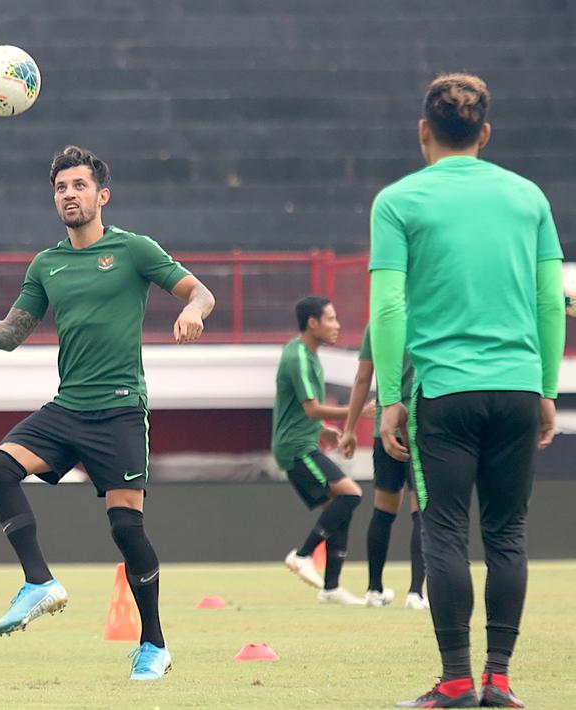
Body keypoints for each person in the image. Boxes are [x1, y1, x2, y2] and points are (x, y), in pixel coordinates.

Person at [0, 146, 215, 681]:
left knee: (126, 529)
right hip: (68, 408)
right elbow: (13, 332)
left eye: (79, 185)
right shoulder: (47, 264)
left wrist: (191, 309)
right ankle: (40, 582)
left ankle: (154, 645)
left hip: (119, 411)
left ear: (101, 195)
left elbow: (200, 291)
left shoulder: (135, 250)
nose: (69, 194)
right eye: (61, 187)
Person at [370, 74, 564, 709]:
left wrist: (393, 398)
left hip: (444, 393)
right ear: (484, 133)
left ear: (423, 131)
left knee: (445, 532)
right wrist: (545, 389)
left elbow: (389, 306)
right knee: (508, 532)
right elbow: (548, 300)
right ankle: (499, 681)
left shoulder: (398, 202)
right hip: (514, 388)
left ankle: (455, 682)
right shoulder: (528, 198)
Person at [274, 297, 366, 605]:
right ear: (312, 323)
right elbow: (311, 409)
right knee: (351, 494)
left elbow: (302, 410)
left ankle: (331, 587)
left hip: (304, 441)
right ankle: (302, 555)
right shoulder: (298, 356)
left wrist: (322, 428)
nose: (337, 325)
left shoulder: (309, 355)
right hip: (295, 448)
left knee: (340, 506)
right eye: (331, 319)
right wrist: (357, 410)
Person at [338, 328, 427, 610]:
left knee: (383, 511)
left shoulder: (376, 325)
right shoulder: (428, 314)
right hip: (421, 424)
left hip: (384, 427)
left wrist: (350, 428)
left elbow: (363, 378)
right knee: (421, 512)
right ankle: (416, 593)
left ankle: (374, 590)